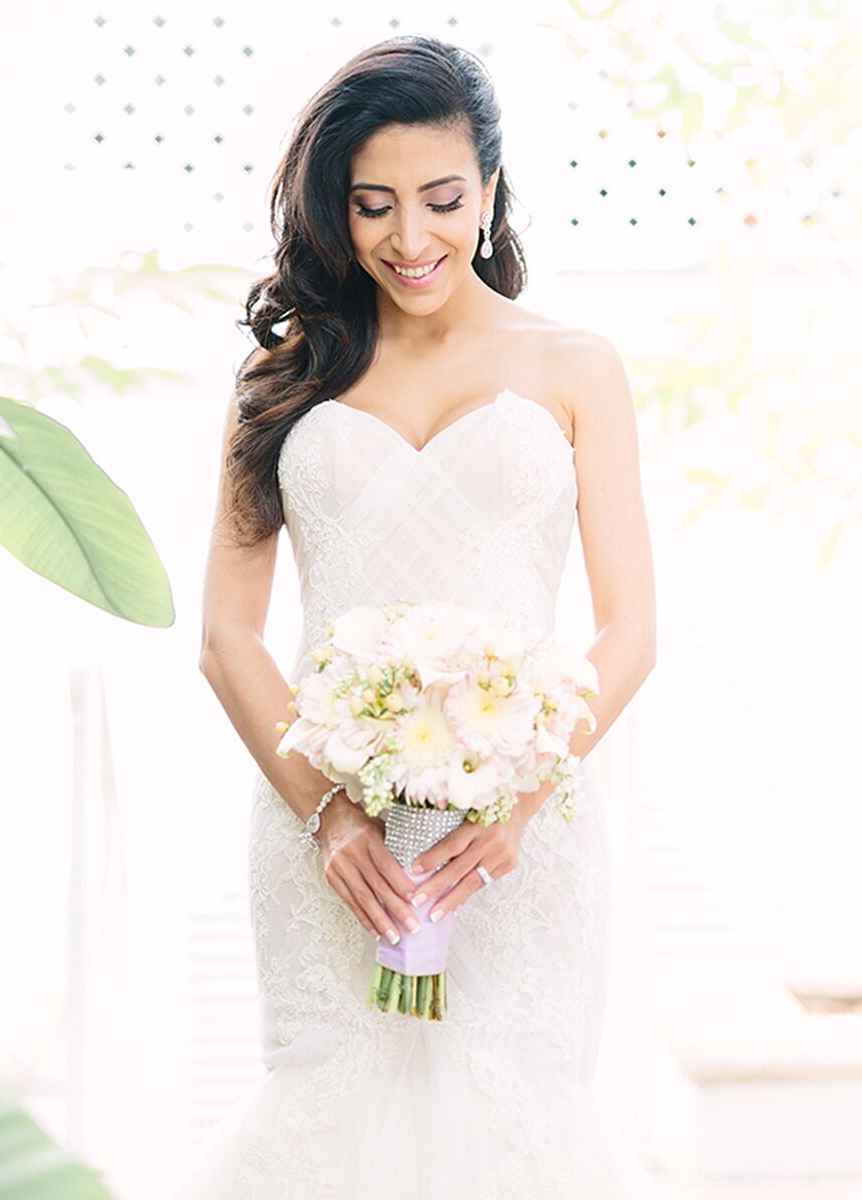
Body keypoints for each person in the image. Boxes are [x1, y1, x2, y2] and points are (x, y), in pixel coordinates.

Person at [174, 33, 658, 1199]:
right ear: (334, 210)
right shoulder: (291, 376)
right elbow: (226, 638)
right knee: (329, 1111)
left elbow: (630, 630)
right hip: (323, 838)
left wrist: (523, 805)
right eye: (371, 205)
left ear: (488, 190)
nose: (409, 239)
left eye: (441, 201)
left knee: (516, 1116)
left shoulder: (576, 365)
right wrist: (332, 818)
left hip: (521, 845)